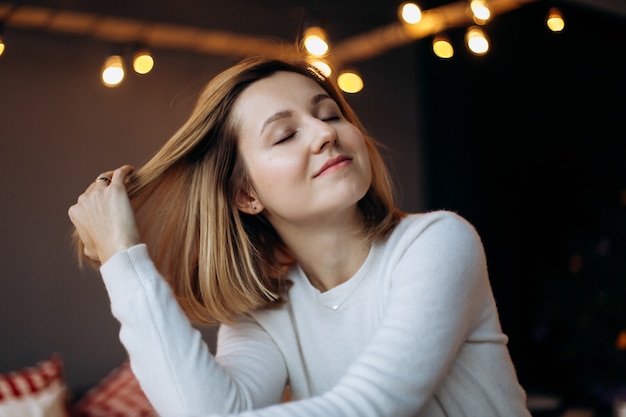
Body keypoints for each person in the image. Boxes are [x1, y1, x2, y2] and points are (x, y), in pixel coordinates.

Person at [68, 56, 531, 417]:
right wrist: (122, 261)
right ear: (246, 194)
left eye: (329, 114)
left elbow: (372, 408)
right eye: (286, 134)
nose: (324, 134)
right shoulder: (266, 313)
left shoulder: (437, 243)